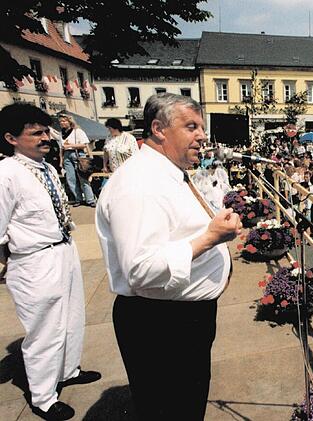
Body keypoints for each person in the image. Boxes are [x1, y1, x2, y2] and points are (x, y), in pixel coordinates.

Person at [96, 93, 241, 420]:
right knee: (172, 410)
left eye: (201, 127)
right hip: (162, 325)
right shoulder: (139, 183)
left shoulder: (167, 172)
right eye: (191, 126)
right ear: (159, 129)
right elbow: (142, 269)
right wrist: (210, 238)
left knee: (186, 406)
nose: (202, 135)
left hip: (180, 318)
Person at [0, 103, 101, 421]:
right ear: (11, 138)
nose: (46, 137)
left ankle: (68, 370)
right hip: (34, 260)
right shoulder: (6, 175)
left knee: (71, 319)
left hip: (63, 250)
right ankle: (43, 396)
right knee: (45, 330)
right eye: (36, 133)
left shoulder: (44, 167)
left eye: (46, 131)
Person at [58, 114, 95, 207]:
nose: (62, 123)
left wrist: (70, 145)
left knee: (82, 177)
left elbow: (84, 145)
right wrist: (61, 159)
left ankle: (90, 199)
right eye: (61, 121)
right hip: (67, 155)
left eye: (64, 121)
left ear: (69, 121)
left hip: (77, 154)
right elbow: (61, 148)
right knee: (71, 179)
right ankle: (78, 199)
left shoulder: (77, 131)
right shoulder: (61, 133)